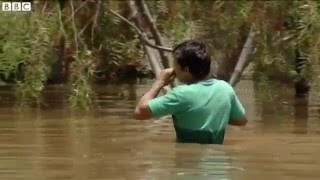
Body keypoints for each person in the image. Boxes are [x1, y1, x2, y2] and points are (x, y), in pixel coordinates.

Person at [134, 40, 247, 144]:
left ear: (186, 69)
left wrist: (159, 83)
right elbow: (241, 121)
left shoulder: (181, 94)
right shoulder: (225, 88)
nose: (174, 69)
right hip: (220, 163)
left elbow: (139, 112)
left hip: (189, 163)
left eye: (175, 65)